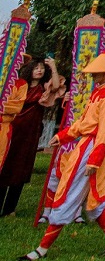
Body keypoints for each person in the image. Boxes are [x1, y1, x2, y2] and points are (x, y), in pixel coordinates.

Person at [19, 51, 105, 260]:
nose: (93, 76)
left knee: (69, 191)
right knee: (91, 193)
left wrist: (95, 158)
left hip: (92, 148)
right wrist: (63, 136)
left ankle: (42, 249)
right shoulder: (99, 92)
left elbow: (104, 130)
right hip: (86, 145)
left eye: (96, 73)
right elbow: (84, 122)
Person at [0, 57, 61, 216]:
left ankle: (10, 208)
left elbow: (56, 86)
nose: (39, 70)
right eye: (36, 68)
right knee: (6, 164)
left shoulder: (44, 88)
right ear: (29, 70)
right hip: (14, 128)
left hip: (30, 132)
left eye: (42, 68)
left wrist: (53, 67)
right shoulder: (19, 85)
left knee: (22, 167)